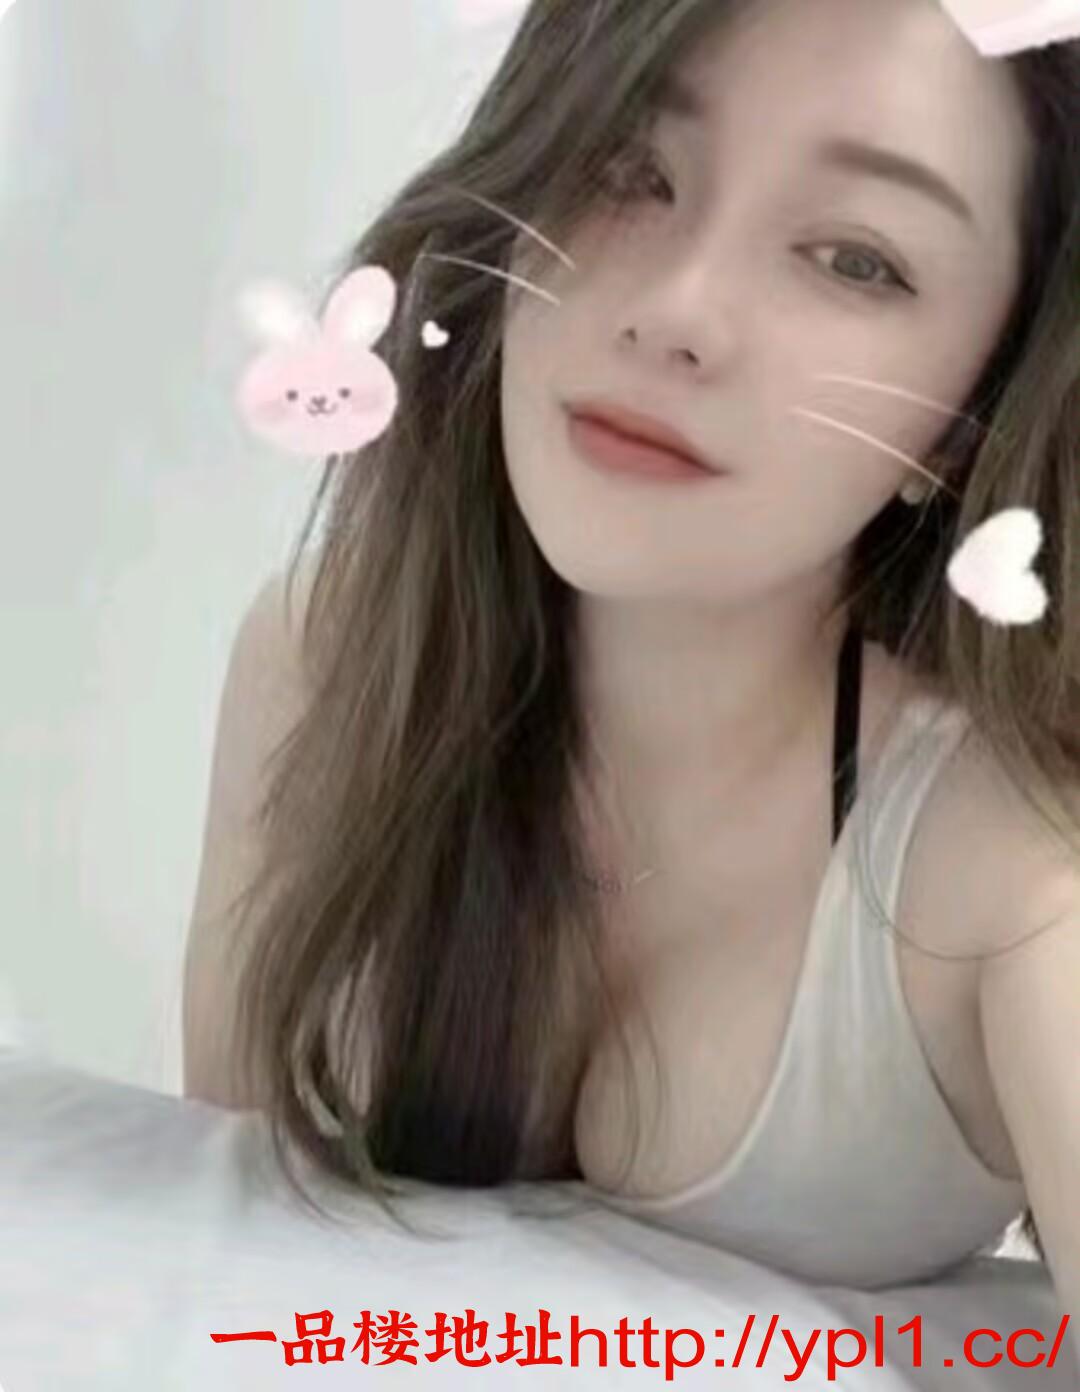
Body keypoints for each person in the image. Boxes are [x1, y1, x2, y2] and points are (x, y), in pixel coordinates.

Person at [182, 0, 1080, 1311]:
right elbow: (206, 1286)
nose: (678, 311)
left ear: (967, 419)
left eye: (855, 259)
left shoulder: (1003, 874)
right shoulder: (319, 669)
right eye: (627, 168)